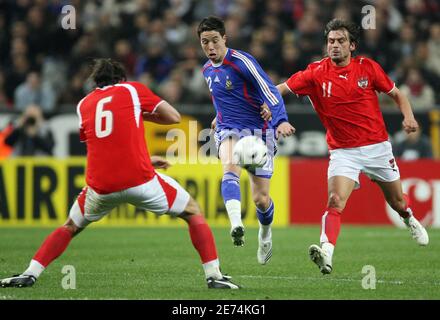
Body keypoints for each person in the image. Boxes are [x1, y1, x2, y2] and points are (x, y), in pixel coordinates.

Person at [0, 58, 239, 289]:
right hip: (139, 180)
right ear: (122, 78)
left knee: (70, 226)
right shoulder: (132, 90)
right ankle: (213, 275)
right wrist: (140, 114)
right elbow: (174, 117)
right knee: (192, 211)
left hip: (100, 187)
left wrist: (141, 151)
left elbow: (104, 139)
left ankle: (30, 273)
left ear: (96, 82)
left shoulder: (83, 104)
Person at [277, 19, 429, 275]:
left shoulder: (367, 68)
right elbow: (279, 89)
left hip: (377, 147)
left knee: (398, 202)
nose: (334, 45)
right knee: (335, 201)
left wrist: (409, 116)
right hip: (343, 151)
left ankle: (409, 219)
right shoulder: (315, 72)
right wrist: (265, 107)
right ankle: (326, 252)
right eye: (330, 41)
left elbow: (398, 94)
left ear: (352, 45)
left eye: (340, 41)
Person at [197, 16, 295, 265]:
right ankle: (236, 224)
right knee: (229, 167)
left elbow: (269, 89)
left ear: (225, 39)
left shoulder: (242, 62)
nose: (210, 47)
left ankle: (265, 233)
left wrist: (280, 119)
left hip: (260, 132)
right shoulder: (206, 70)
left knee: (261, 200)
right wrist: (218, 118)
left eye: (215, 41)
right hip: (229, 130)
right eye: (205, 42)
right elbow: (223, 98)